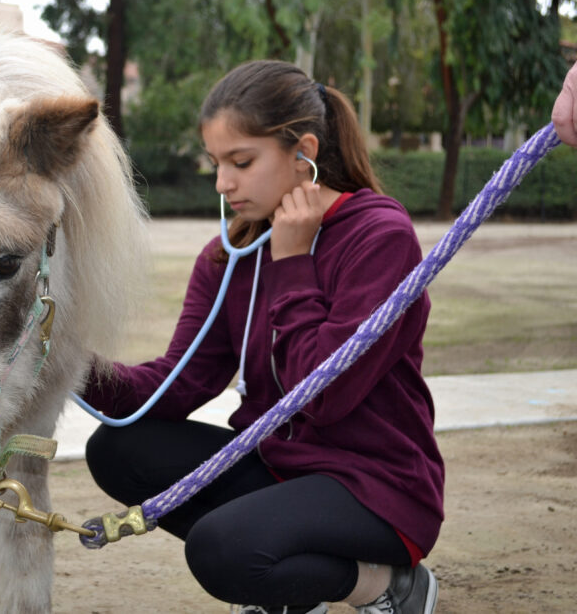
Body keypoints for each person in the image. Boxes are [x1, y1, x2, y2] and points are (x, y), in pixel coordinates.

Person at [82, 60, 444, 614]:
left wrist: (294, 263)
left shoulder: (380, 236)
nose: (224, 183)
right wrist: (62, 360)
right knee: (116, 450)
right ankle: (290, 580)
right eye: (216, 164)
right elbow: (174, 387)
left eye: (241, 162)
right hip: (278, 466)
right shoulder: (230, 255)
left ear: (304, 152)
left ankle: (387, 584)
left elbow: (322, 396)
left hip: (377, 486)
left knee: (222, 551)